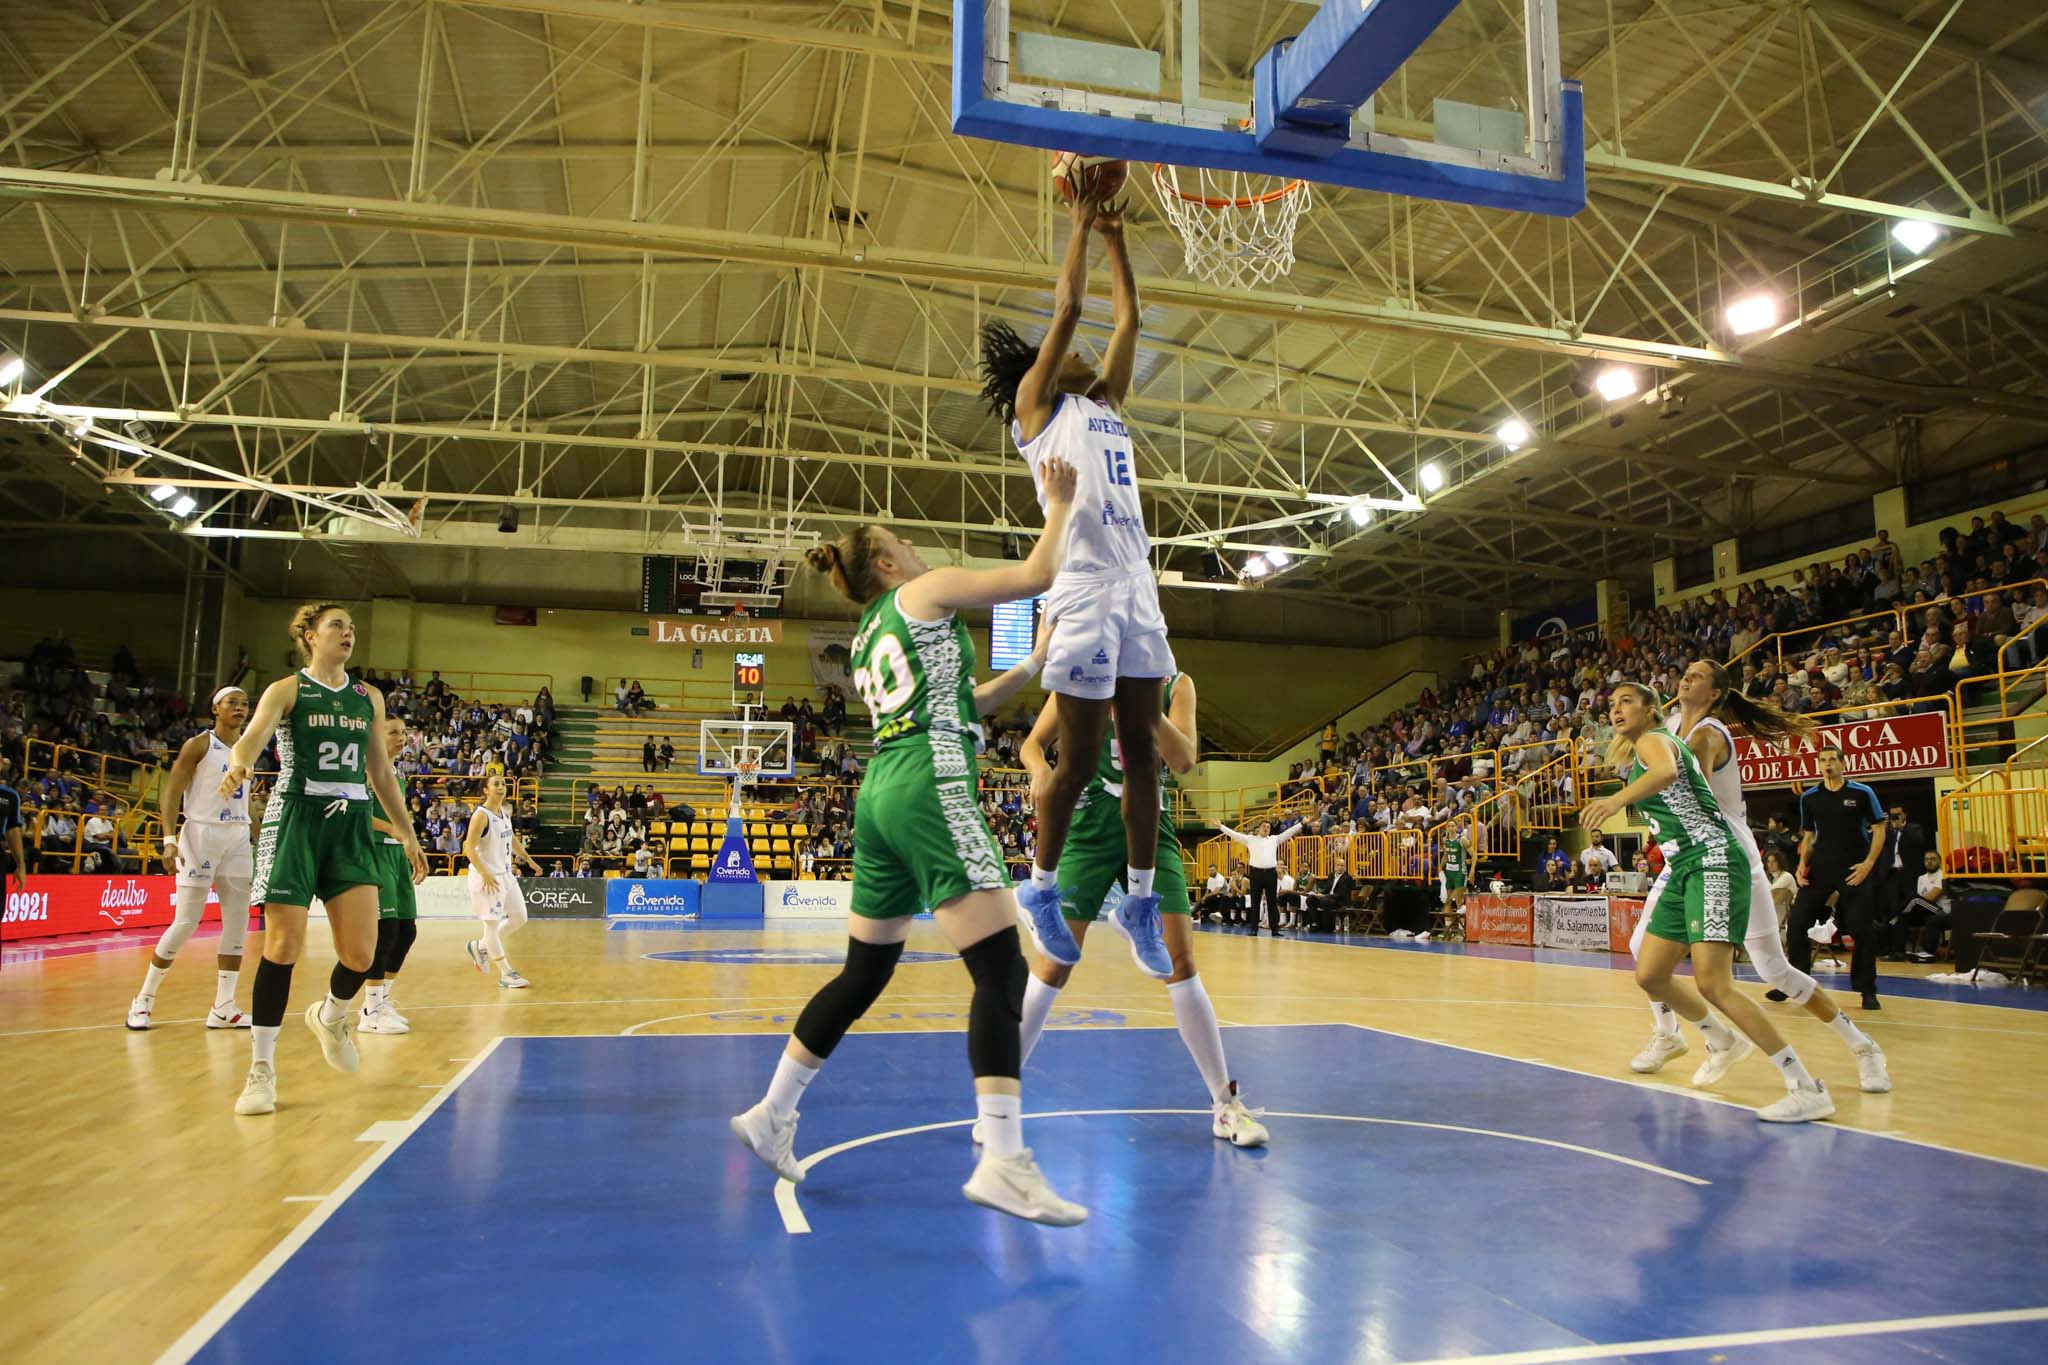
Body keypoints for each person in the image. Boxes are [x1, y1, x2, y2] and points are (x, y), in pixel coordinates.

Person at [728, 457, 1089, 1226]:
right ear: (888, 563)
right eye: (904, 541)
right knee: (999, 971)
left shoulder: (868, 634)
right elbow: (1036, 570)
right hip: (930, 783)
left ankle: (771, 1111)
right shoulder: (924, 592)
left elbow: (967, 699)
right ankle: (1002, 1159)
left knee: (863, 973)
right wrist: (1058, 502)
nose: (920, 546)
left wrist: (1031, 664)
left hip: (881, 792)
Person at [978, 184, 1174, 974]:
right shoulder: (1036, 406)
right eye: (1069, 351)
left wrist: (1119, 237)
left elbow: (1128, 321)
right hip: (1084, 586)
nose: (1088, 351)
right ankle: (1041, 886)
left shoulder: (1106, 403)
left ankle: (1139, 898)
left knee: (1143, 757)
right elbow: (1069, 309)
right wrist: (1077, 226)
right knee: (1083, 763)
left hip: (1136, 582)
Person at [1011, 671, 1269, 1146]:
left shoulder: (1177, 684)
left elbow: (1185, 759)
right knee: (1053, 966)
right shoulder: (1079, 672)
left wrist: (1140, 707)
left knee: (1182, 963)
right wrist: (1039, 770)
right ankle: (1000, 1105)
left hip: (1150, 825)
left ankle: (1224, 1104)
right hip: (1086, 827)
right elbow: (1031, 744)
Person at [1629, 661, 1889, 1094]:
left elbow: (1691, 796)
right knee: (1644, 953)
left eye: (1698, 675)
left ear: (1715, 693)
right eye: (1685, 672)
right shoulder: (1671, 724)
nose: (1686, 678)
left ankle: (1863, 1047)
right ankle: (1682, 1035)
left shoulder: (1708, 734)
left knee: (1774, 969)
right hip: (1687, 858)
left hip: (1727, 857)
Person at [1582, 682, 1833, 1122]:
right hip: (1685, 867)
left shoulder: (1654, 741)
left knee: (1714, 984)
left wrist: (1614, 801)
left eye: (1625, 701)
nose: (1615, 710)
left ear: (1651, 708)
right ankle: (1721, 1039)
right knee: (1652, 974)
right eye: (1612, 704)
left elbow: (1665, 774)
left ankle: (1805, 1086)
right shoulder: (1647, 746)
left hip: (1712, 860)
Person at [224, 604, 427, 1117]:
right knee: (283, 944)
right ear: (310, 636)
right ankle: (261, 1069)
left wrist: (406, 833)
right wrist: (240, 766)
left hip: (351, 822)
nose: (348, 633)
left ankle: (332, 1015)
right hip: (296, 817)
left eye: (351, 627)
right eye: (338, 625)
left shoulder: (368, 699)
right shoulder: (286, 690)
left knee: (362, 954)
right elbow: (252, 740)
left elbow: (380, 772)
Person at [128, 686, 256, 1032]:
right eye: (233, 703)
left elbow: (243, 802)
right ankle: (143, 1000)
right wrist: (169, 840)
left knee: (237, 923)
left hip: (238, 837)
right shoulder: (199, 745)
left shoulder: (249, 747)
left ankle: (224, 1006)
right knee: (186, 922)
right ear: (215, 708)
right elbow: (170, 795)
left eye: (245, 704)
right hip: (200, 836)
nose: (240, 709)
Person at [1786, 747, 1888, 1010]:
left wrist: (1868, 864)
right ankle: (1795, 984)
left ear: (1843, 763)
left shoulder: (1862, 792)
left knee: (1862, 930)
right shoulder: (1809, 797)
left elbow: (1879, 829)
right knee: (1796, 924)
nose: (1827, 764)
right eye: (1822, 760)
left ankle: (1867, 990)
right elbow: (1808, 836)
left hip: (1853, 868)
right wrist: (1801, 866)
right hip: (1820, 869)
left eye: (1832, 759)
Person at [359, 717, 425, 1035]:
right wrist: (393, 829)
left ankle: (381, 999)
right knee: (384, 930)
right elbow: (357, 812)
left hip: (397, 853)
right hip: (374, 851)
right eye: (393, 733)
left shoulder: (397, 773)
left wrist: (411, 844)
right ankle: (370, 1011)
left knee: (406, 930)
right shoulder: (365, 768)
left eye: (403, 733)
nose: (401, 738)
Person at [463, 774, 538, 989]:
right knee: (492, 924)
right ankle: (506, 973)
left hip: (506, 875)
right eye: (496, 784)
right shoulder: (481, 815)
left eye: (503, 784)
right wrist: (485, 873)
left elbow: (511, 839)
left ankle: (480, 946)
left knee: (520, 917)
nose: (501, 787)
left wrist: (529, 860)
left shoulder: (504, 812)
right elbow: (469, 847)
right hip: (488, 878)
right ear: (485, 790)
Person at [1215, 818, 1303, 936]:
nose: (1266, 828)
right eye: (1264, 826)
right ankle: (1254, 929)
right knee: (1255, 902)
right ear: (1259, 828)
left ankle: (1275, 929)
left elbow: (1288, 832)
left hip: (1271, 874)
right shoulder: (1250, 839)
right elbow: (1235, 835)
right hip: (1256, 873)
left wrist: (1301, 824)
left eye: (1268, 827)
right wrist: (1221, 827)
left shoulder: (1274, 839)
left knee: (1272, 902)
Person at [1874, 804, 1928, 960]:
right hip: (1890, 876)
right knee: (1887, 913)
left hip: (1907, 876)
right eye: (1892, 815)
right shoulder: (1887, 831)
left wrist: (1902, 828)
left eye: (1897, 815)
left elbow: (1919, 843)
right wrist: (1883, 826)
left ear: (1905, 815)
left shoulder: (1914, 829)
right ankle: (1886, 949)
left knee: (1902, 913)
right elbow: (1876, 845)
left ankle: (1899, 950)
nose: (1894, 818)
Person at [1899, 850, 1951, 962]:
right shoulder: (1921, 878)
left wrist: (1914, 903)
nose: (1929, 862)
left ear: (1940, 861)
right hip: (1925, 910)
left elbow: (1931, 897)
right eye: (1927, 859)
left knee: (1913, 900)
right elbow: (1921, 902)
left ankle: (1927, 953)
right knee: (1902, 917)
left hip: (1940, 911)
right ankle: (1902, 951)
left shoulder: (1943, 875)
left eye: (1933, 859)